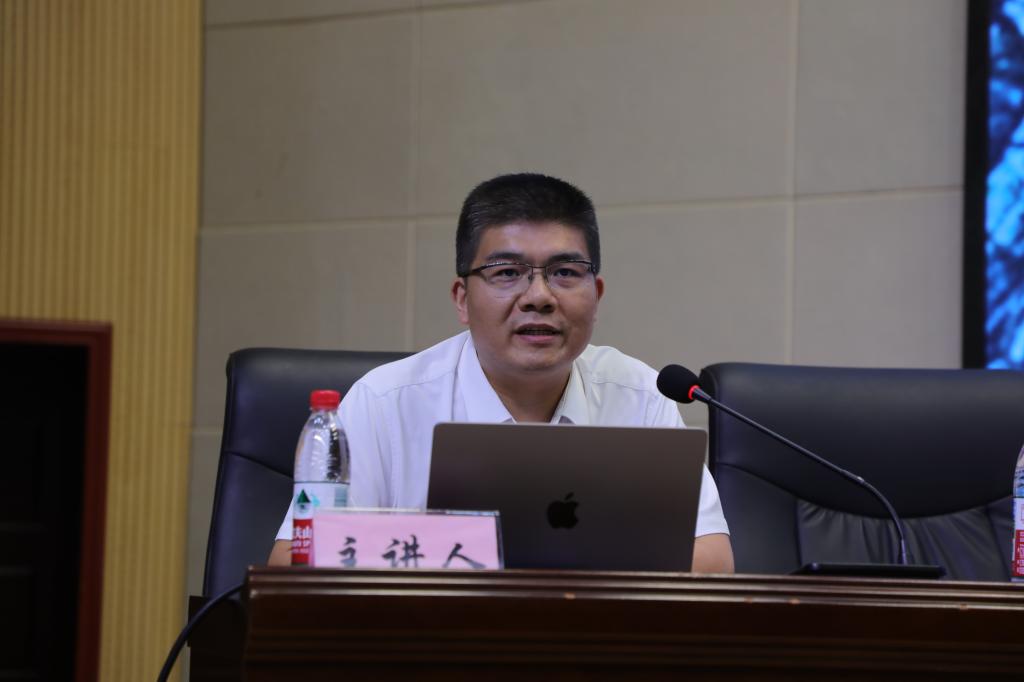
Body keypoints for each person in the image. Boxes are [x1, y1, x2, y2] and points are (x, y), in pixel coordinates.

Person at [269, 173, 734, 572]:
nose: (539, 296)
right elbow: (295, 560)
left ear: (596, 295)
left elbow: (712, 560)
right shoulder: (385, 402)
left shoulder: (640, 395)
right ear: (462, 299)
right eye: (507, 272)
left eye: (565, 272)